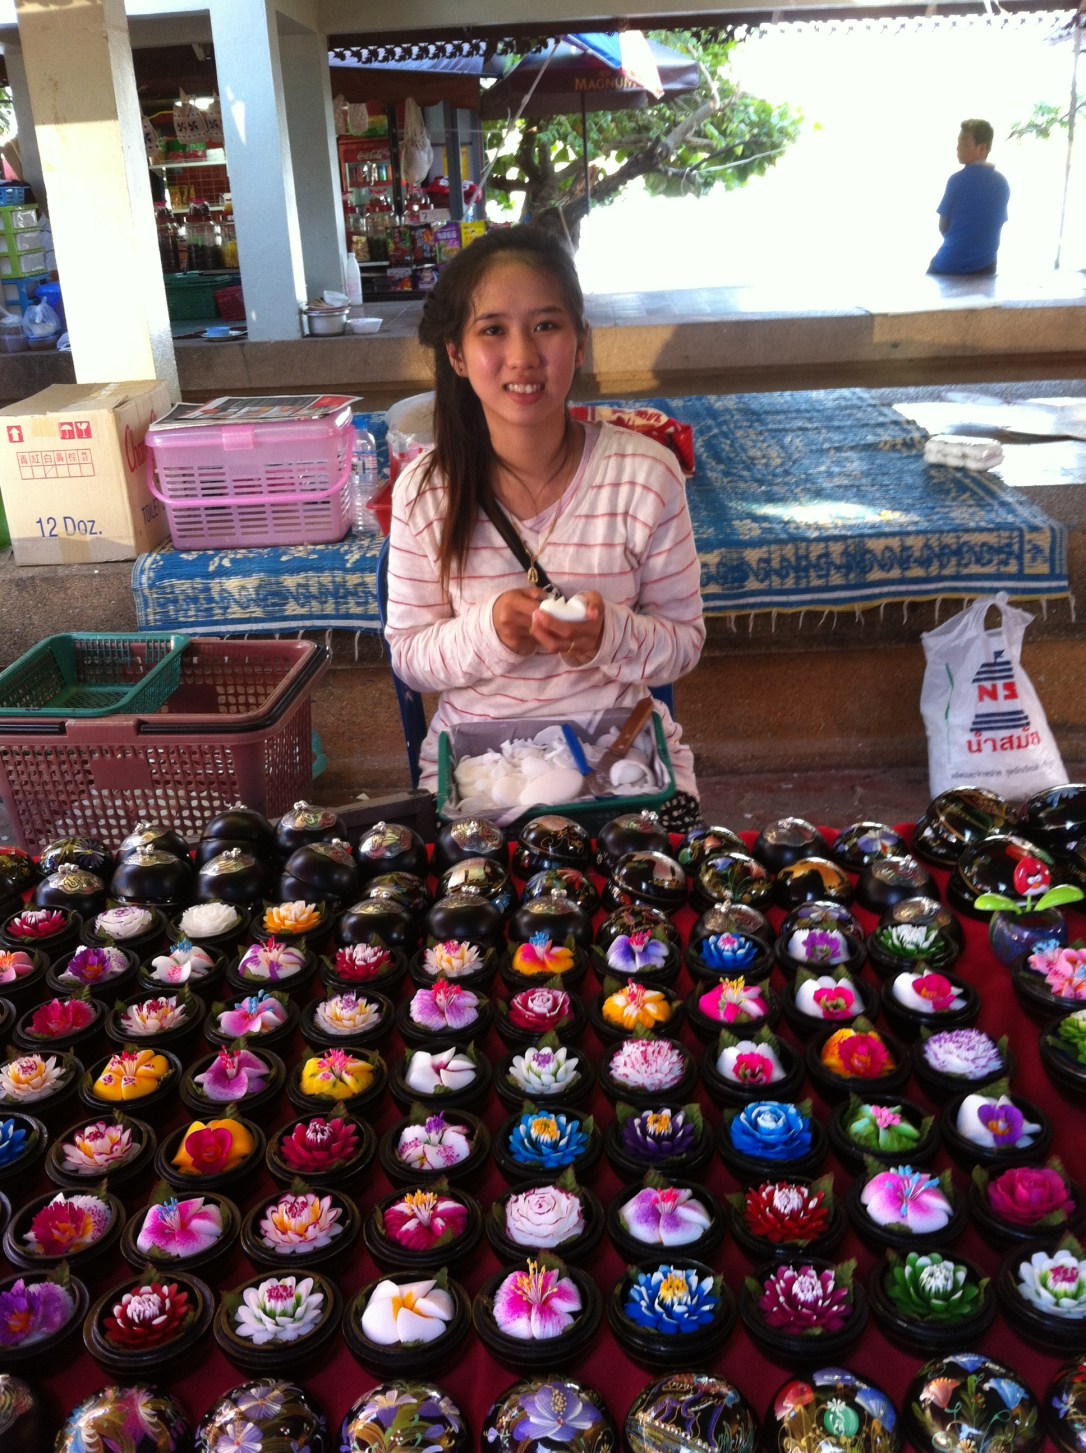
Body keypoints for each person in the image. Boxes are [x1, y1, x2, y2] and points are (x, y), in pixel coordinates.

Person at [383, 223, 705, 829]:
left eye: (546, 326)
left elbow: (683, 644)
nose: (523, 357)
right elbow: (410, 657)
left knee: (659, 882)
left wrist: (609, 635)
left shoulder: (646, 475)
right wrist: (490, 632)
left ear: (580, 343)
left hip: (621, 758)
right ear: (456, 354)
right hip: (482, 769)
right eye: (492, 330)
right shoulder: (425, 492)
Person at [928, 118, 1010, 277]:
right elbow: (995, 226)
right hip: (986, 267)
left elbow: (943, 227)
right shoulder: (1002, 182)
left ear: (982, 148)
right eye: (958, 142)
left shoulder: (956, 180)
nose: (958, 147)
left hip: (949, 265)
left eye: (964, 142)